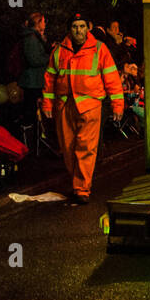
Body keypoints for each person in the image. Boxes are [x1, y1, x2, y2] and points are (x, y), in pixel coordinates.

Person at [42, 13, 124, 204]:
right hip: (65, 105)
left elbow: (112, 79)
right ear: (69, 29)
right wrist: (47, 103)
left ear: (88, 27)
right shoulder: (59, 51)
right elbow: (49, 80)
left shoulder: (99, 49)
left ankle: (81, 189)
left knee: (85, 147)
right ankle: (78, 183)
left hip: (90, 105)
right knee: (68, 148)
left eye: (81, 26)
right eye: (74, 27)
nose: (78, 30)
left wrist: (117, 105)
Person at [17, 12, 50, 126]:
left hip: (35, 80)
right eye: (43, 21)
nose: (45, 24)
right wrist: (49, 58)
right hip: (32, 82)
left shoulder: (35, 37)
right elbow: (34, 59)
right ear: (38, 22)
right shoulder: (31, 38)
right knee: (30, 111)